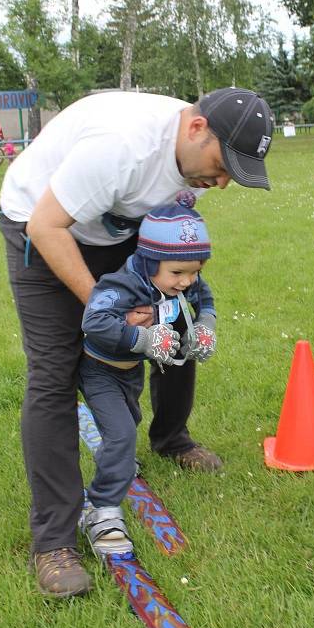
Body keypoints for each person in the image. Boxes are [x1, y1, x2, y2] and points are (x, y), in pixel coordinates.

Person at [0, 86, 274, 598]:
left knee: (175, 318)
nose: (221, 182)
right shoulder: (123, 147)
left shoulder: (195, 164)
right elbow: (46, 224)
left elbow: (172, 255)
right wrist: (109, 310)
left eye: (234, 174)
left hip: (116, 228)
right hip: (40, 223)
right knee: (55, 373)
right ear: (196, 128)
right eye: (222, 164)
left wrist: (170, 314)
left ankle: (172, 439)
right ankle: (55, 540)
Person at [80, 191, 216, 554]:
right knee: (123, 433)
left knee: (129, 423)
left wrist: (205, 326)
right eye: (178, 273)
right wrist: (143, 338)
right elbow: (93, 320)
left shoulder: (179, 278)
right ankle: (101, 506)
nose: (187, 281)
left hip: (128, 374)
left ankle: (119, 460)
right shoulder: (123, 284)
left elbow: (205, 299)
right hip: (99, 371)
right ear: (149, 260)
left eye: (195, 272)